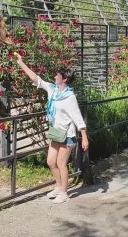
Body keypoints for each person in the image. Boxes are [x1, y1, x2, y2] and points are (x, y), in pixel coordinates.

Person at [15, 54, 89, 204]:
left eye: (57, 75)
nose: (55, 76)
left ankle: (64, 192)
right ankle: (59, 186)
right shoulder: (52, 90)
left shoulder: (70, 97)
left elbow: (77, 117)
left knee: (61, 164)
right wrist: (21, 63)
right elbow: (36, 79)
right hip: (56, 132)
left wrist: (84, 136)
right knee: (50, 162)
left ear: (64, 79)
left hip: (67, 135)